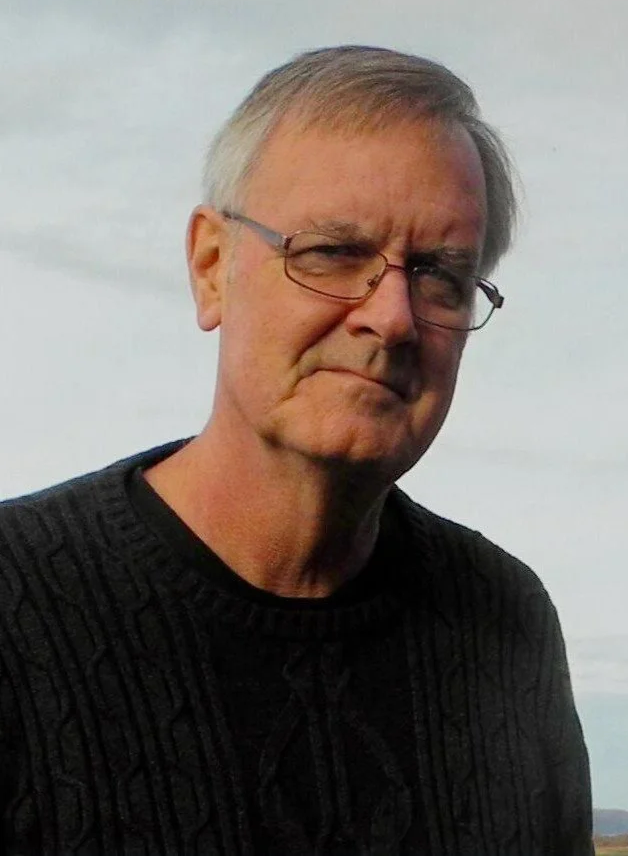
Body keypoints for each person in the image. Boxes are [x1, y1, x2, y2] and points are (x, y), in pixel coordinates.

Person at [0, 46, 593, 855]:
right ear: (212, 268)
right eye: (332, 253)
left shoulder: (506, 624)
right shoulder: (18, 604)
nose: (391, 317)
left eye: (439, 276)